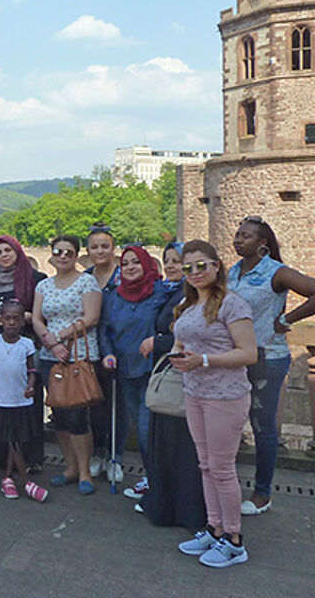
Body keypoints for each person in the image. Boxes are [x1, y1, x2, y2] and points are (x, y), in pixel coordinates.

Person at [171, 240, 257, 569]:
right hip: (195, 392)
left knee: (221, 468)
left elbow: (248, 353)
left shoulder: (232, 304)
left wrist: (204, 359)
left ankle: (234, 540)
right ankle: (214, 528)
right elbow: (184, 339)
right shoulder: (189, 304)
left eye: (201, 265)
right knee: (205, 465)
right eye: (188, 267)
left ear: (216, 266)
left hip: (226, 396)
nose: (194, 272)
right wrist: (180, 354)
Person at [228, 216, 315, 516]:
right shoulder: (233, 271)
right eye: (237, 235)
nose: (239, 240)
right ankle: (226, 486)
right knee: (230, 421)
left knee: (263, 427)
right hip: (235, 357)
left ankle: (263, 493)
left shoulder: (275, 272)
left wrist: (287, 320)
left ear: (262, 243)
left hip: (267, 356)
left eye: (246, 236)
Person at [138, 242, 207, 528]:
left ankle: (187, 510)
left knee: (185, 448)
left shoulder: (198, 297)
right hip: (171, 373)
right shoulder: (172, 292)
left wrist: (160, 343)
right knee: (167, 444)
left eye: (178, 261)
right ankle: (166, 504)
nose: (171, 266)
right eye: (167, 260)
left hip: (189, 377)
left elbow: (197, 335)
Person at [32, 235, 102, 495]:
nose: (62, 256)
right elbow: (37, 318)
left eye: (68, 252)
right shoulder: (44, 286)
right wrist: (50, 342)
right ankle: (70, 467)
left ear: (76, 255)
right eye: (58, 251)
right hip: (50, 356)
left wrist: (60, 337)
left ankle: (85, 472)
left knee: (76, 415)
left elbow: (92, 317)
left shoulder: (86, 282)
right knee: (59, 414)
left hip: (79, 355)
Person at [0, 235, 47, 470]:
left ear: (18, 251)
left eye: (8, 250)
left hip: (23, 350)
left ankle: (30, 458)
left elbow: (44, 314)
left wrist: (28, 317)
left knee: (26, 400)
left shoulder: (34, 279)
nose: (4, 255)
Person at [98, 246, 169, 496]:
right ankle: (154, 480)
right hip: (124, 369)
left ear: (146, 265)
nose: (129, 267)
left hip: (153, 369)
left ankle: (157, 481)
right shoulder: (114, 297)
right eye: (125, 263)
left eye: (135, 263)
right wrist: (107, 353)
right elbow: (105, 329)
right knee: (139, 427)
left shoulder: (160, 292)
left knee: (146, 429)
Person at [0, 300, 48, 503]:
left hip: (21, 402)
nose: (11, 322)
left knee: (16, 440)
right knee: (12, 440)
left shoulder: (27, 344)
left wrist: (30, 385)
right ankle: (27, 481)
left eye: (16, 319)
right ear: (1, 320)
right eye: (7, 318)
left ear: (22, 322)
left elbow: (31, 370)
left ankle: (8, 478)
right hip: (1, 401)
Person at [85, 222, 121, 481]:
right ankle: (97, 452)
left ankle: (115, 456)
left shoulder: (123, 276)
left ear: (113, 249)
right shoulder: (85, 278)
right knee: (95, 404)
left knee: (117, 405)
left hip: (117, 348)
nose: (100, 251)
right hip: (90, 348)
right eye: (95, 247)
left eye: (104, 246)